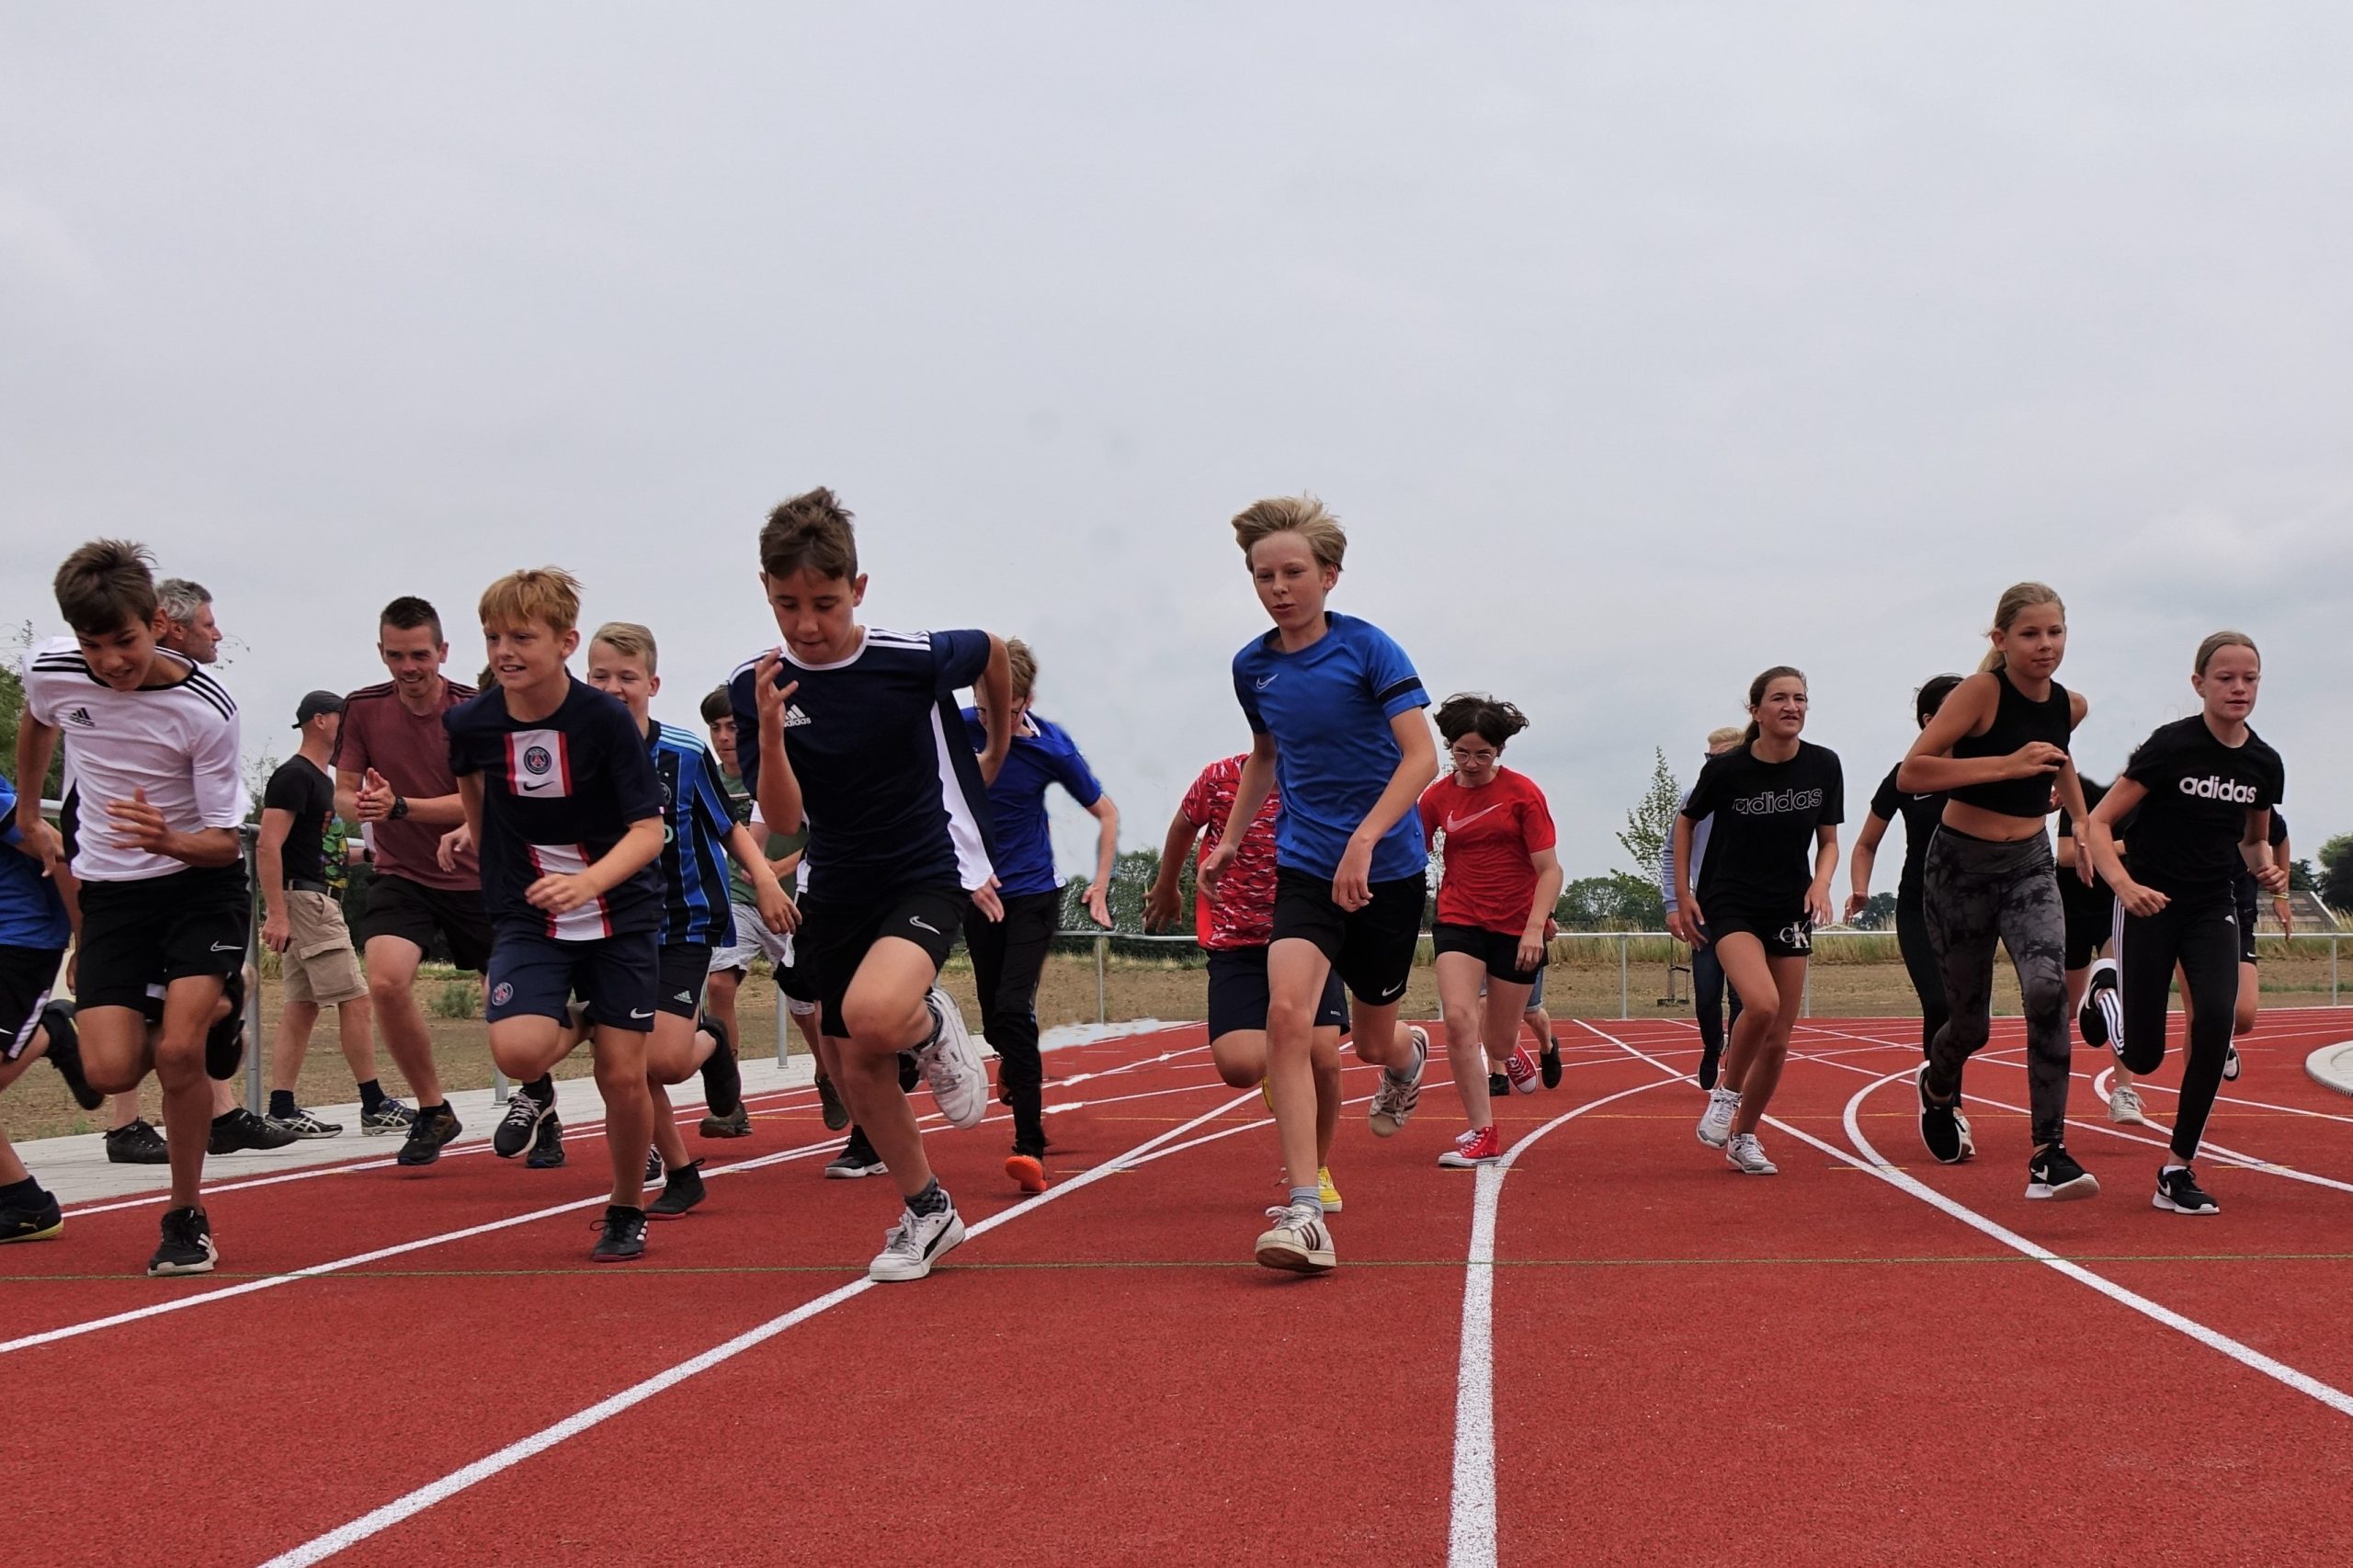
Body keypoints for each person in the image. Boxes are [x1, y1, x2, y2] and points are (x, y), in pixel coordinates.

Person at [730, 487, 1010, 1283]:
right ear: (766, 590)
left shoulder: (910, 657)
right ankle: (929, 1210)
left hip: (923, 870)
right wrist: (771, 733)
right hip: (837, 882)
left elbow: (991, 647)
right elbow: (783, 817)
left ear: (857, 589)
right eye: (788, 604)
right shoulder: (763, 683)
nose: (807, 625)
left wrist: (989, 746)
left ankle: (928, 1025)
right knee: (854, 1068)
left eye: (823, 603)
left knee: (874, 1013)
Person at [1200, 495, 1434, 1275]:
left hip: (1388, 870)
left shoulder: (1371, 651)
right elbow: (1265, 755)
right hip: (1303, 865)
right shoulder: (1253, 666)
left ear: (1329, 575)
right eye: (1263, 575)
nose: (1279, 587)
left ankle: (1406, 1058)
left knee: (1370, 1037)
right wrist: (1233, 840)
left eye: (1294, 572)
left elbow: (1420, 759)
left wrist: (1366, 839)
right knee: (1289, 1018)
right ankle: (1306, 1208)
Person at [17, 541, 252, 1274]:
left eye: (125, 641)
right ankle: (205, 1015)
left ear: (158, 624)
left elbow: (224, 847)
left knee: (180, 1053)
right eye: (95, 645)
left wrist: (170, 839)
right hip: (114, 893)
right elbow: (37, 722)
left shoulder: (206, 709)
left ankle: (186, 1216)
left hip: (198, 888)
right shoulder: (53, 669)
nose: (112, 661)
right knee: (113, 1073)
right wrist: (30, 813)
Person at [444, 570, 668, 1261]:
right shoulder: (470, 722)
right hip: (529, 911)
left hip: (619, 908)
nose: (505, 650)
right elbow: (475, 797)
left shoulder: (602, 721)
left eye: (522, 636)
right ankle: (588, 1028)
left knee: (624, 1076)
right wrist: (485, 856)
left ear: (566, 642)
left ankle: (626, 1206)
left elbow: (648, 831)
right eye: (493, 637)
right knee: (517, 1050)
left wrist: (587, 883)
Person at [562, 623, 790, 1219]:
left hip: (682, 921)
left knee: (660, 1059)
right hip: (611, 926)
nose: (613, 688)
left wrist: (765, 880)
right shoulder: (570, 755)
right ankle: (681, 1173)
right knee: (627, 1059)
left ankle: (710, 1040)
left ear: (652, 684)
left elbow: (728, 825)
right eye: (600, 676)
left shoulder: (683, 754)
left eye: (627, 678)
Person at [1899, 583, 2097, 1201]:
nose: (2045, 646)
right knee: (1972, 1026)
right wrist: (2005, 766)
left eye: (2055, 633)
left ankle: (2049, 1153)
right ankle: (1938, 1084)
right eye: (2031, 634)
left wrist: (2082, 822)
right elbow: (1914, 771)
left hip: (2030, 867)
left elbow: (2060, 758)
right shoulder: (1980, 695)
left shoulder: (2070, 703)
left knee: (2046, 990)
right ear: (2001, 640)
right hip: (1959, 869)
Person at [2085, 631, 2285, 1216]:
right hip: (2149, 901)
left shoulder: (2263, 763)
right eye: (2226, 678)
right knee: (2143, 1057)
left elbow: (2254, 841)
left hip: (2211, 906)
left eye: (2250, 677)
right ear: (2199, 684)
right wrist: (2125, 886)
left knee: (2217, 1024)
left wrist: (2268, 871)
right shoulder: (2171, 747)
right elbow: (2098, 825)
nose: (2239, 687)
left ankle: (2177, 1169)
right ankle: (2105, 992)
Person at [1145, 753, 1348, 1212]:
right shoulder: (1220, 778)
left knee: (1323, 1058)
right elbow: (1182, 826)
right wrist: (1167, 885)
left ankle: (1315, 1169)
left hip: (1307, 934)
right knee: (1237, 1067)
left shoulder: (1324, 773)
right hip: (1238, 939)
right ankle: (1280, 1063)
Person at [961, 638, 1119, 1193]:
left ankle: (1029, 1147)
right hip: (976, 890)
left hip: (1032, 892)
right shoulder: (954, 731)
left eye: (1000, 711)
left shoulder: (1051, 747)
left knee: (1012, 1006)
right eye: (981, 708)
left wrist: (1100, 884)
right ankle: (1012, 1050)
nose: (988, 719)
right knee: (994, 1019)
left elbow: (1106, 813)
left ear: (1023, 699)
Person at [335, 597, 487, 1166]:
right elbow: (344, 795)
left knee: (515, 1013)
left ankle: (536, 1096)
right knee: (386, 983)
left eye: (420, 655)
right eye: (396, 656)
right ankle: (433, 1109)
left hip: (478, 876)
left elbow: (482, 800)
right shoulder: (363, 708)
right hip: (402, 875)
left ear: (443, 653)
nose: (408, 668)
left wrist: (401, 807)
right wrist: (367, 804)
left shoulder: (475, 710)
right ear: (381, 653)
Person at [1675, 668, 1843, 1176]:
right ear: (1756, 711)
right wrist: (1683, 893)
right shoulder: (1728, 770)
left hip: (1788, 905)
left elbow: (1829, 840)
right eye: (1779, 699)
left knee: (1780, 1037)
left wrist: (1821, 883)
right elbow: (1686, 822)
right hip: (1730, 903)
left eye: (1800, 698)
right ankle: (1726, 1092)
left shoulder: (1823, 764)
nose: (1791, 706)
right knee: (1761, 1003)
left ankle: (1744, 1136)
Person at [153, 579, 295, 1155]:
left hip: (195, 871)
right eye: (208, 623)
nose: (218, 633)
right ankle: (138, 1118)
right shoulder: (109, 695)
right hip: (135, 873)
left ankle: (223, 1109)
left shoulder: (209, 700)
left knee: (182, 1010)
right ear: (171, 625)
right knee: (135, 1020)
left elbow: (224, 819)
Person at [1417, 695, 1563, 1169]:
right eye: (1463, 752)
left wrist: (1535, 927)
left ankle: (1510, 1049)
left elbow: (1549, 870)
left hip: (1516, 925)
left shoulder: (1523, 793)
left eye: (1484, 753)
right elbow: (1411, 854)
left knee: (1497, 1042)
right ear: (1450, 747)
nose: (1474, 762)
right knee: (1458, 1020)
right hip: (1459, 916)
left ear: (1499, 751)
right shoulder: (1437, 797)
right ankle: (1484, 1132)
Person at [256, 691, 403, 1137]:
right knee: (356, 999)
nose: (349, 726)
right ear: (319, 720)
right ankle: (374, 1104)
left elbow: (326, 850)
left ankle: (282, 1106)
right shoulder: (295, 775)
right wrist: (276, 913)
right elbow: (268, 844)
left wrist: (377, 855)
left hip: (315, 898)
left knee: (302, 1007)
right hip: (308, 904)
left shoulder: (324, 781)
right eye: (344, 717)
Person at [698, 685, 824, 1137]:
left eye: (732, 726)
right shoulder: (706, 778)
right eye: (715, 727)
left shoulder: (778, 771)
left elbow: (821, 838)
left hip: (794, 901)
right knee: (719, 983)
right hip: (737, 902)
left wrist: (776, 869)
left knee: (805, 1003)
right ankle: (729, 1099)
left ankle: (826, 1072)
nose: (723, 736)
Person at [0, 767, 100, 1243]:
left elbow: (57, 852)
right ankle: (21, 1201)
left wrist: (86, 941)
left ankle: (52, 1030)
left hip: (18, 941)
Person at [1847, 676, 1964, 1057]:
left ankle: (1942, 1089)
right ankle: (1942, 1101)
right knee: (1938, 1003)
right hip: (1919, 905)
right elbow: (1865, 844)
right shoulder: (1905, 775)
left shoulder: (1986, 771)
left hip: (1973, 907)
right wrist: (1860, 887)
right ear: (1929, 720)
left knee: (1964, 1013)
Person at [1660, 726, 1747, 1088]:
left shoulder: (1757, 798)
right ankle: (1713, 1046)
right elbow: (1669, 853)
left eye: (1720, 757)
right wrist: (1673, 904)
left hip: (1747, 913)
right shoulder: (1692, 799)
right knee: (1707, 996)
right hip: (1704, 913)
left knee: (1743, 997)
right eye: (1708, 758)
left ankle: (1738, 1068)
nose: (1712, 764)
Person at [2058, 778, 2144, 1123]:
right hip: (2071, 911)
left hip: (2116, 909)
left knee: (2120, 994)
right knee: (2064, 1012)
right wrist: (2128, 845)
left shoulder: (2151, 807)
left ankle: (2123, 1092)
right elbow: (2066, 855)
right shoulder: (2082, 794)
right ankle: (2052, 1090)